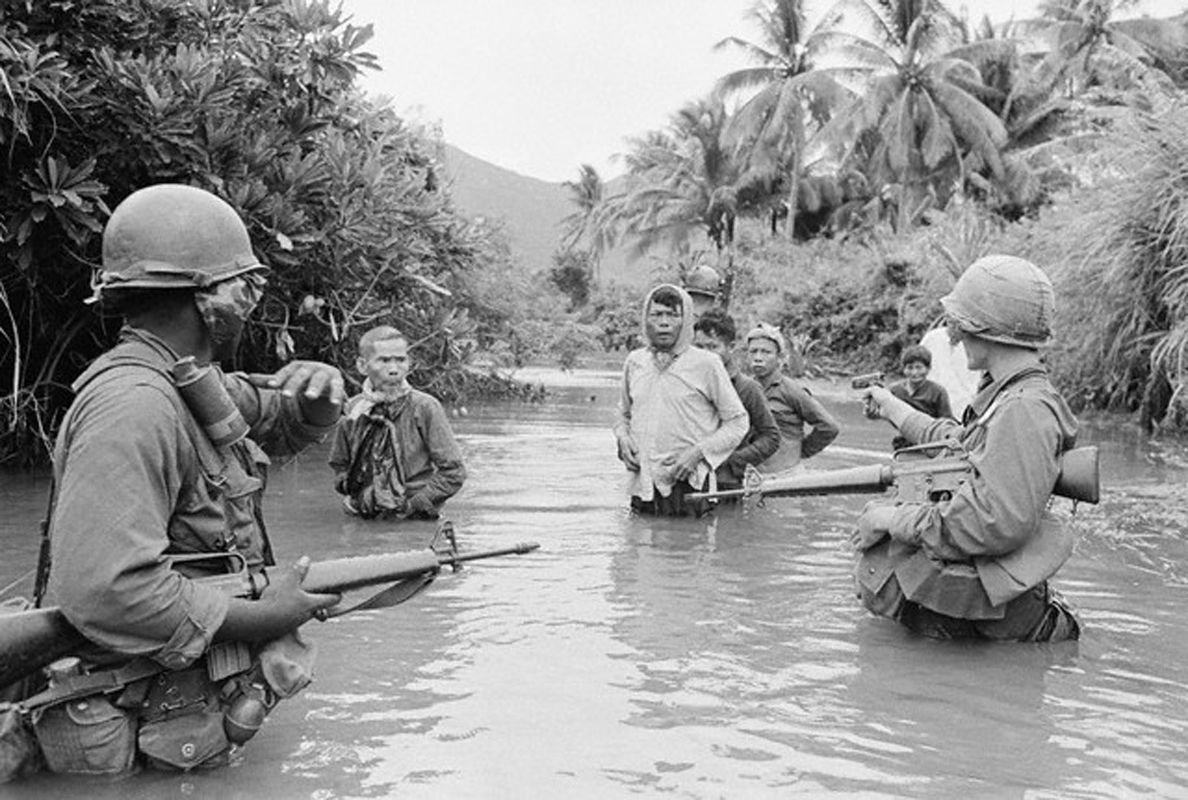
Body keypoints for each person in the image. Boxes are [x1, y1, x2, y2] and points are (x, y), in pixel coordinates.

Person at [31, 184, 344, 776]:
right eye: (241, 285)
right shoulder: (135, 405)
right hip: (118, 736)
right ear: (206, 298)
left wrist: (321, 396)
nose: (250, 299)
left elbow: (274, 419)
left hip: (175, 722)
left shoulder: (188, 382)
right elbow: (111, 589)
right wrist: (268, 617)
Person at [854, 254, 1082, 642]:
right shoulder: (1008, 395)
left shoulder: (1025, 409)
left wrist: (890, 519)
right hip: (985, 631)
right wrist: (893, 407)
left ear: (986, 327)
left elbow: (990, 523)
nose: (955, 335)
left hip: (1002, 638)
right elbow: (955, 445)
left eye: (960, 324)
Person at [613, 284, 748, 516]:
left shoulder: (707, 364)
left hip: (689, 486)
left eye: (673, 315)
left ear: (685, 321)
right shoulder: (635, 362)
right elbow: (623, 414)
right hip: (642, 485)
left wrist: (697, 453)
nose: (664, 322)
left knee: (688, 547)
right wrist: (622, 439)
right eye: (656, 315)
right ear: (646, 319)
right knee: (637, 547)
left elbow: (738, 422)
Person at [329, 325, 466, 520]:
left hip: (414, 519)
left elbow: (454, 473)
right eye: (383, 361)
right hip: (363, 516)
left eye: (400, 360)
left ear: (408, 363)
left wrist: (412, 505)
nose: (393, 369)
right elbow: (339, 465)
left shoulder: (425, 407)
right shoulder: (353, 409)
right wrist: (356, 491)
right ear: (362, 365)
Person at [692, 310, 780, 490]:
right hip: (688, 476)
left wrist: (732, 460)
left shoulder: (747, 388)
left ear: (730, 347)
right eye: (699, 347)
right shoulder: (687, 382)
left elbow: (771, 437)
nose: (705, 354)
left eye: (712, 347)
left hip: (726, 482)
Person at [746, 322, 840, 472]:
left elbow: (829, 427)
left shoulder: (792, 391)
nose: (758, 357)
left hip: (786, 474)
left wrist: (800, 451)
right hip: (751, 476)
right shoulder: (744, 389)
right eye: (753, 351)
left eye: (766, 352)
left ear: (780, 357)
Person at [888, 344, 953, 451]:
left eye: (919, 367)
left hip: (929, 443)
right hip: (902, 442)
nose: (914, 373)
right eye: (910, 368)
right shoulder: (895, 391)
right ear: (904, 369)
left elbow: (946, 422)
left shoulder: (937, 392)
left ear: (928, 369)